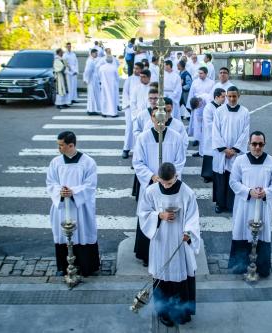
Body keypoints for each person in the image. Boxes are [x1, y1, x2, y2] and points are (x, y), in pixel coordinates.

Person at [139, 162, 200, 327]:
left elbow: (193, 216)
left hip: (179, 239)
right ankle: (163, 312)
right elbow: (143, 213)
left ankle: (182, 311)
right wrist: (159, 215)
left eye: (170, 183)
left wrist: (189, 232)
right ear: (158, 178)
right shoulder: (151, 191)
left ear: (176, 176)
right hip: (160, 239)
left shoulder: (186, 192)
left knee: (181, 274)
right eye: (163, 183)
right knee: (163, 275)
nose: (166, 186)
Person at [132, 109, 186, 266]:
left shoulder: (176, 137)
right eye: (157, 120)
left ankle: (169, 254)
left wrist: (169, 178)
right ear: (152, 118)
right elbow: (138, 162)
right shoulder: (143, 138)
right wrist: (152, 176)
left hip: (169, 184)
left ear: (168, 117)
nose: (160, 124)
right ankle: (147, 254)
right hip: (151, 184)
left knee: (168, 215)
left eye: (163, 120)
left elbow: (180, 160)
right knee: (150, 214)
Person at [228, 131, 272, 277]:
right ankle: (239, 266)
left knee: (262, 236)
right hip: (244, 205)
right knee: (241, 232)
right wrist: (248, 191)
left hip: (263, 206)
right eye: (254, 144)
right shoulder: (240, 161)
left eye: (260, 144)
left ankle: (261, 268)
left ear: (264, 144)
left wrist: (266, 192)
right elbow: (233, 182)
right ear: (249, 144)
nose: (257, 147)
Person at [46, 131, 100, 277]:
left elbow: (90, 185)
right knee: (63, 235)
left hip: (81, 207)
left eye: (61, 145)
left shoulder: (88, 162)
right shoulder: (55, 162)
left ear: (71, 145)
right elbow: (51, 183)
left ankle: (86, 266)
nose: (59, 149)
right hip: (62, 206)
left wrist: (73, 192)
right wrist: (60, 192)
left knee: (82, 233)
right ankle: (64, 267)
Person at [212, 86, 250, 214]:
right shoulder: (219, 111)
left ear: (238, 96)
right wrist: (224, 149)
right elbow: (215, 131)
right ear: (226, 96)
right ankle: (219, 204)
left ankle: (231, 204)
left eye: (235, 96)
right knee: (220, 179)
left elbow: (245, 133)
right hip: (222, 152)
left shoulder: (244, 112)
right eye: (230, 96)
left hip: (236, 152)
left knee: (234, 178)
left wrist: (234, 150)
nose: (232, 99)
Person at [201, 88, 226, 183]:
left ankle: (216, 173)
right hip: (210, 135)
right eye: (223, 97)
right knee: (209, 155)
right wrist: (219, 128)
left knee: (217, 155)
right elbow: (208, 123)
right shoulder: (209, 107)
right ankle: (207, 176)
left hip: (220, 135)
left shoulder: (223, 107)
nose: (224, 99)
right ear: (216, 97)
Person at [187, 67, 215, 148]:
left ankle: (205, 137)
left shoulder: (211, 83)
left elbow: (212, 94)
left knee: (206, 121)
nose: (200, 75)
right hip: (197, 105)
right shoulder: (195, 82)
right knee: (197, 122)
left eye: (202, 73)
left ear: (206, 74)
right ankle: (197, 138)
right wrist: (191, 105)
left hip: (206, 104)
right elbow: (191, 93)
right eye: (199, 73)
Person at [122, 62, 144, 159]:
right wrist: (128, 105)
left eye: (137, 68)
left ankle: (138, 150)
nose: (135, 70)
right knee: (129, 128)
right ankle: (126, 148)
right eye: (134, 68)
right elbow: (125, 93)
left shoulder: (143, 80)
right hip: (130, 108)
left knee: (139, 129)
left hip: (141, 109)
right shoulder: (129, 80)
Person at [83, 49, 101, 115]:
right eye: (96, 53)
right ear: (92, 53)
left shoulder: (92, 60)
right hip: (92, 80)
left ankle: (92, 109)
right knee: (92, 95)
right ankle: (91, 110)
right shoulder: (90, 61)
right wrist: (86, 79)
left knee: (93, 95)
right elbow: (87, 71)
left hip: (93, 79)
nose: (97, 54)